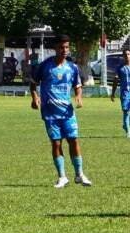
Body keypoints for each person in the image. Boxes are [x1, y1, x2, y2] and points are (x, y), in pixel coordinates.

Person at [30, 36, 92, 188]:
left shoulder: (72, 67)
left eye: (66, 47)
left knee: (74, 140)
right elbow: (33, 84)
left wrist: (78, 96)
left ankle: (79, 174)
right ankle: (62, 177)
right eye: (61, 47)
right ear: (55, 48)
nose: (64, 50)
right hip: (50, 113)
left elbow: (77, 85)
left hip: (67, 112)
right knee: (56, 143)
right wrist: (35, 97)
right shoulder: (45, 66)